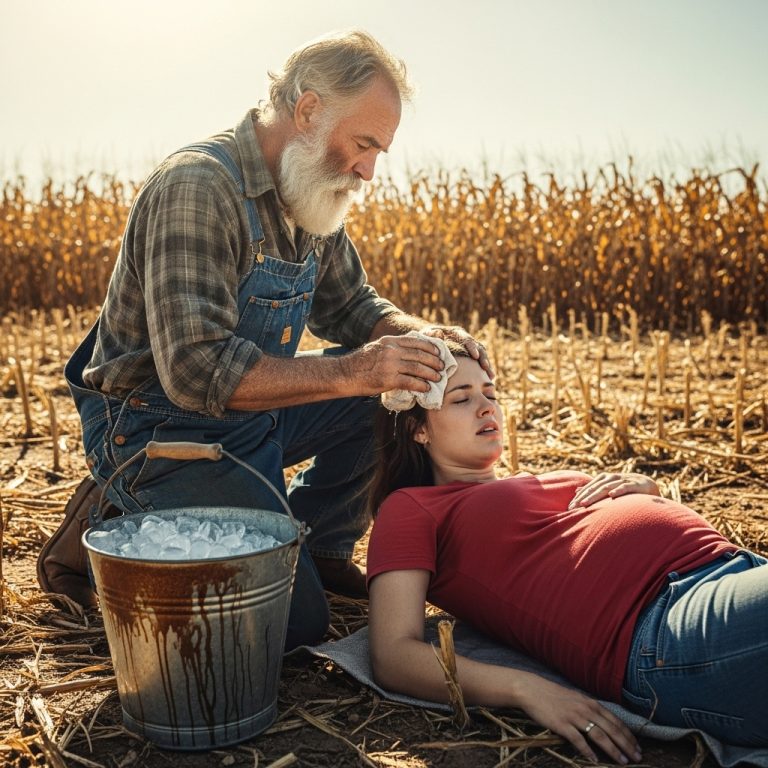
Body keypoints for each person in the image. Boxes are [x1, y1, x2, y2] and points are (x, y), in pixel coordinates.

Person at [37, 29, 490, 650]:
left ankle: (322, 547)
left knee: (389, 393)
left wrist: (422, 338)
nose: (368, 170)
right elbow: (196, 372)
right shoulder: (199, 188)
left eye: (378, 151)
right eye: (363, 144)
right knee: (290, 628)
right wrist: (360, 370)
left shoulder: (310, 196)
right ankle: (117, 500)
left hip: (249, 414)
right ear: (308, 110)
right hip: (158, 425)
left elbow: (354, 306)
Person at [365, 347, 768, 765]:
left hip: (730, 571)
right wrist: (527, 689)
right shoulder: (412, 506)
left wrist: (647, 490)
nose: (486, 408)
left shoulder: (530, 480)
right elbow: (392, 654)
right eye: (462, 398)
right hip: (665, 626)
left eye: (490, 393)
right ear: (418, 430)